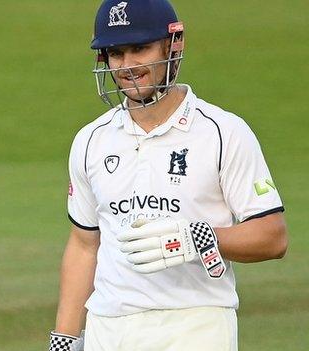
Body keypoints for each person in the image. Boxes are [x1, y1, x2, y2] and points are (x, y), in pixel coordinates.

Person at [49, 1, 288, 350]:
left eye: (140, 48)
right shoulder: (91, 140)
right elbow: (84, 245)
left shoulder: (223, 132)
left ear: (173, 45)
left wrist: (197, 238)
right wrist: (64, 340)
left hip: (195, 325)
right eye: (116, 53)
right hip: (108, 328)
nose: (127, 66)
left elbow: (273, 237)